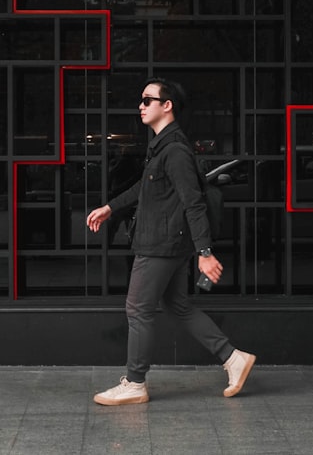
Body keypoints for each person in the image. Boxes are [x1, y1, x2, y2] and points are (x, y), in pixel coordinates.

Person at [85, 77, 256, 406]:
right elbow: (145, 189)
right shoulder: (163, 146)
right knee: (177, 305)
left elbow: (193, 202)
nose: (141, 105)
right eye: (141, 100)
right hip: (170, 243)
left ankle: (135, 382)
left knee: (137, 309)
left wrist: (205, 252)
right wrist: (110, 207)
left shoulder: (174, 150)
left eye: (148, 100)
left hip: (160, 245)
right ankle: (234, 359)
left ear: (167, 106)